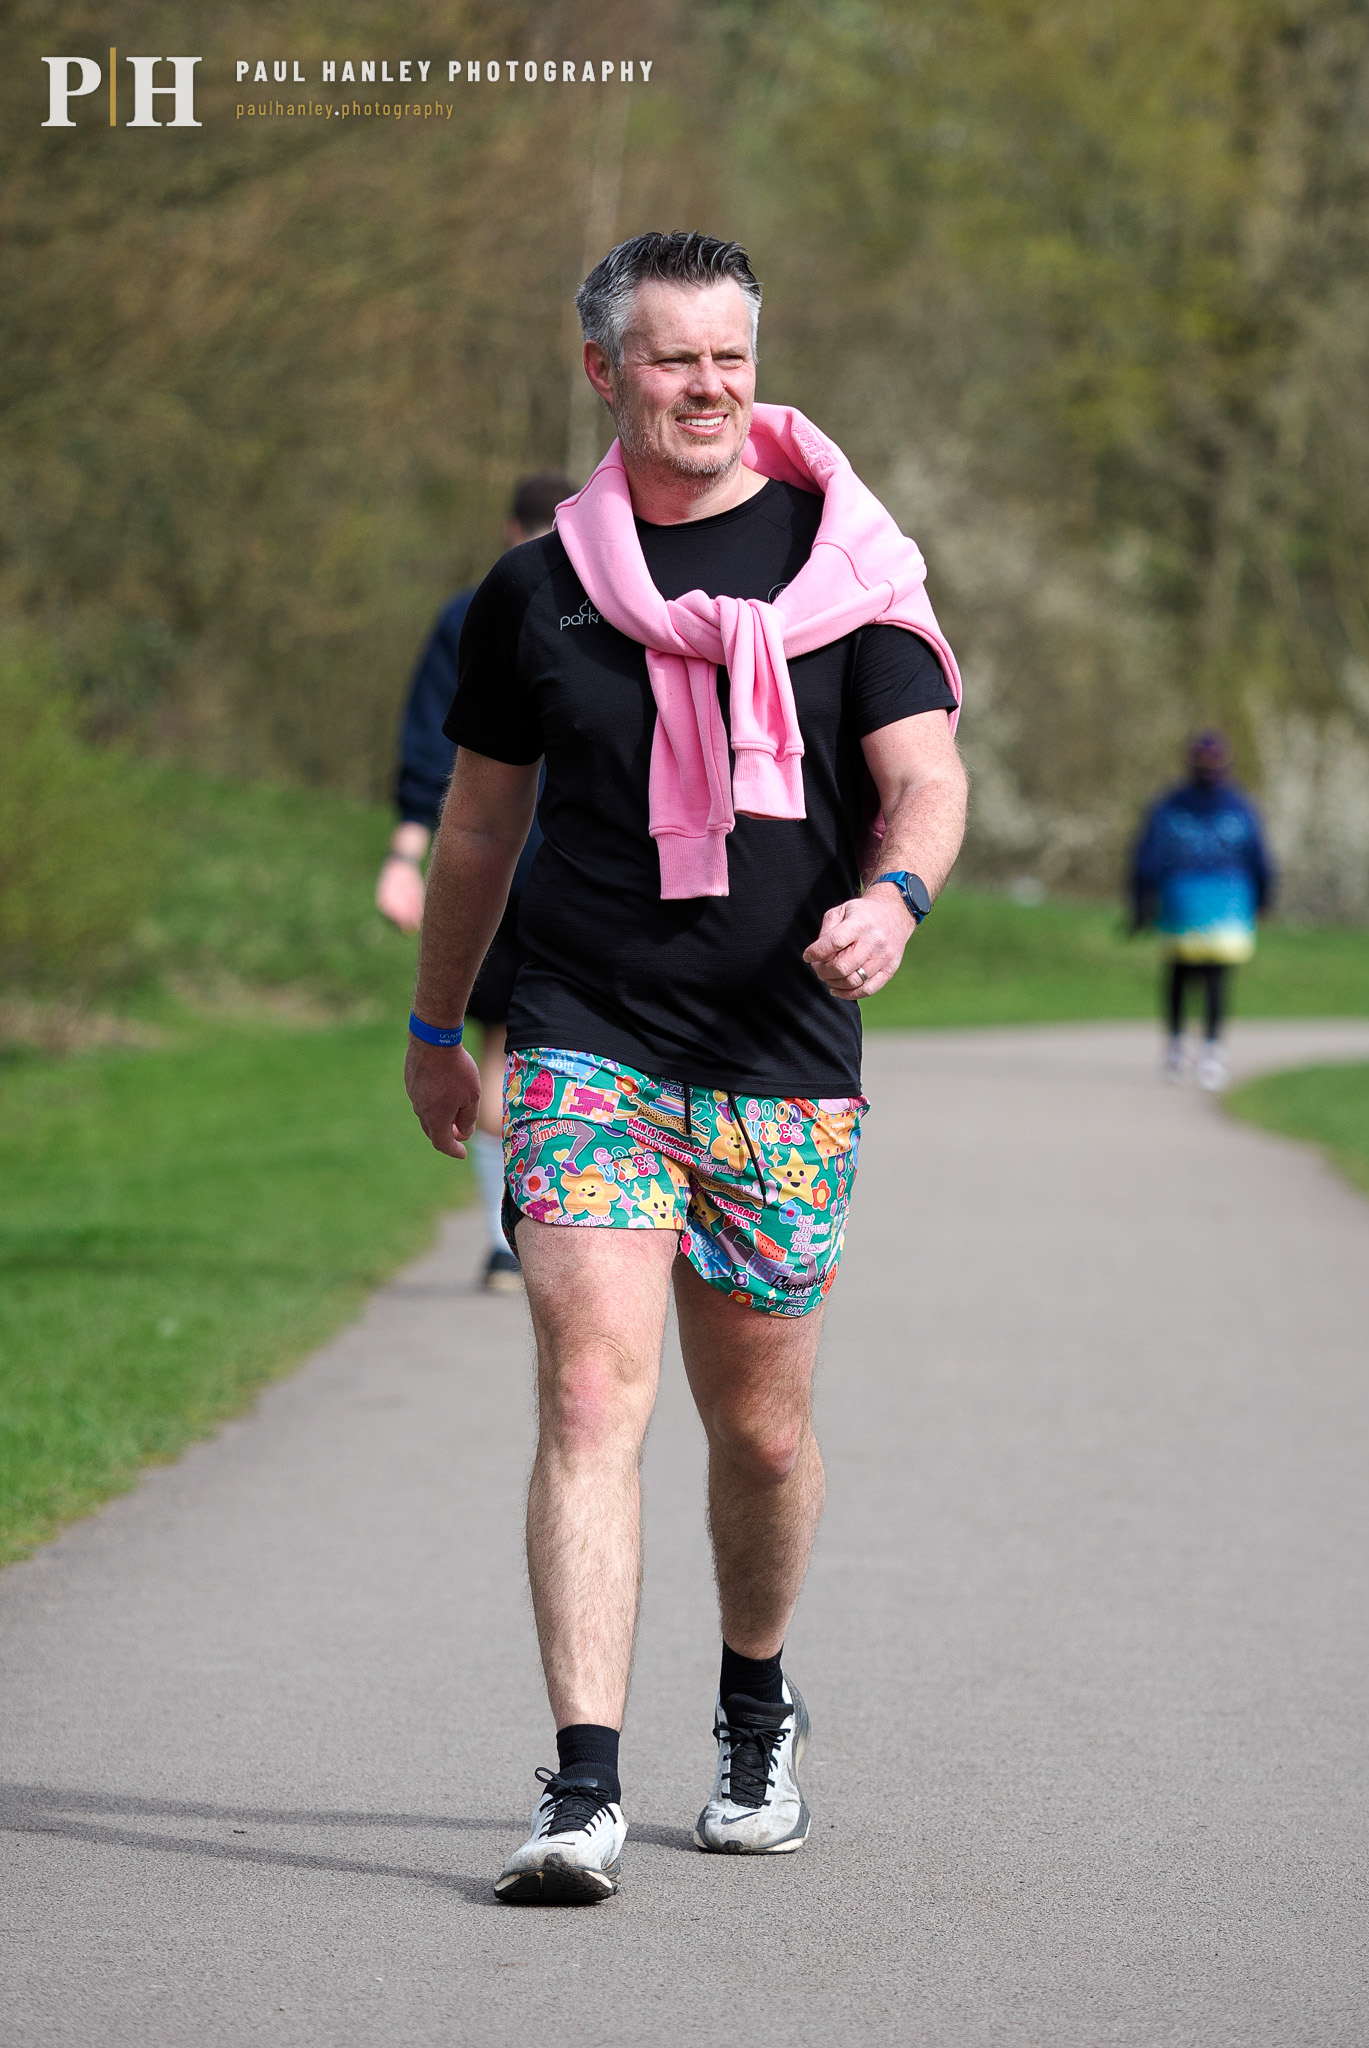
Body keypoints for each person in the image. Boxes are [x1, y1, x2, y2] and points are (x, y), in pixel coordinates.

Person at [403, 231, 969, 1902]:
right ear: (607, 375)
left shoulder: (841, 563)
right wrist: (441, 1029)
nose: (708, 387)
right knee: (588, 1393)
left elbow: (925, 776)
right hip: (588, 1037)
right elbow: (480, 830)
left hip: (782, 1059)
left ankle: (753, 1700)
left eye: (729, 357)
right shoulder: (539, 591)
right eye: (672, 360)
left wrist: (896, 892)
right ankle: (580, 1784)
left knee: (765, 1433)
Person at [376, 472, 574, 1290]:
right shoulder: (622, 602)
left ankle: (507, 1235)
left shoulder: (469, 614)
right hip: (571, 867)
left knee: (495, 1047)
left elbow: (433, 751)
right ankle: (532, 1227)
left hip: (492, 864)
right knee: (537, 1048)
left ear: (508, 527)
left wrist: (403, 854)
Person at [1130, 729, 1274, 1090]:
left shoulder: (1171, 806)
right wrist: (1265, 898)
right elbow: (1259, 859)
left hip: (1186, 900)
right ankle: (1210, 1052)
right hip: (1224, 903)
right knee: (1213, 978)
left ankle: (1180, 1049)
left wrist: (1141, 901)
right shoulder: (1239, 807)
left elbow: (1146, 857)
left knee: (1182, 975)